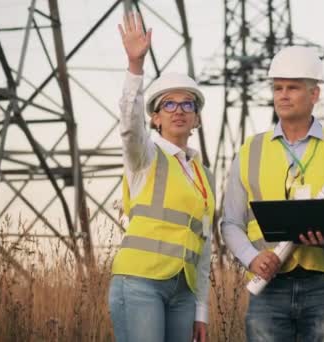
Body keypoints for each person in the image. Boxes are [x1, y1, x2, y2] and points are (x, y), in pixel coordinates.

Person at [221, 45, 324, 342]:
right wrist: (251, 259)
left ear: (314, 94)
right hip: (267, 284)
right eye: (278, 87)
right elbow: (230, 222)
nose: (283, 95)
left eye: (292, 87)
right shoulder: (250, 150)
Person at [108, 12, 214, 342]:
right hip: (139, 283)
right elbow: (128, 126)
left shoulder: (203, 174)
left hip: (183, 290)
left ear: (196, 118)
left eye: (187, 105)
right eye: (169, 104)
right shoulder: (145, 156)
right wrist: (135, 67)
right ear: (155, 118)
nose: (179, 110)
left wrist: (201, 309)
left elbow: (205, 245)